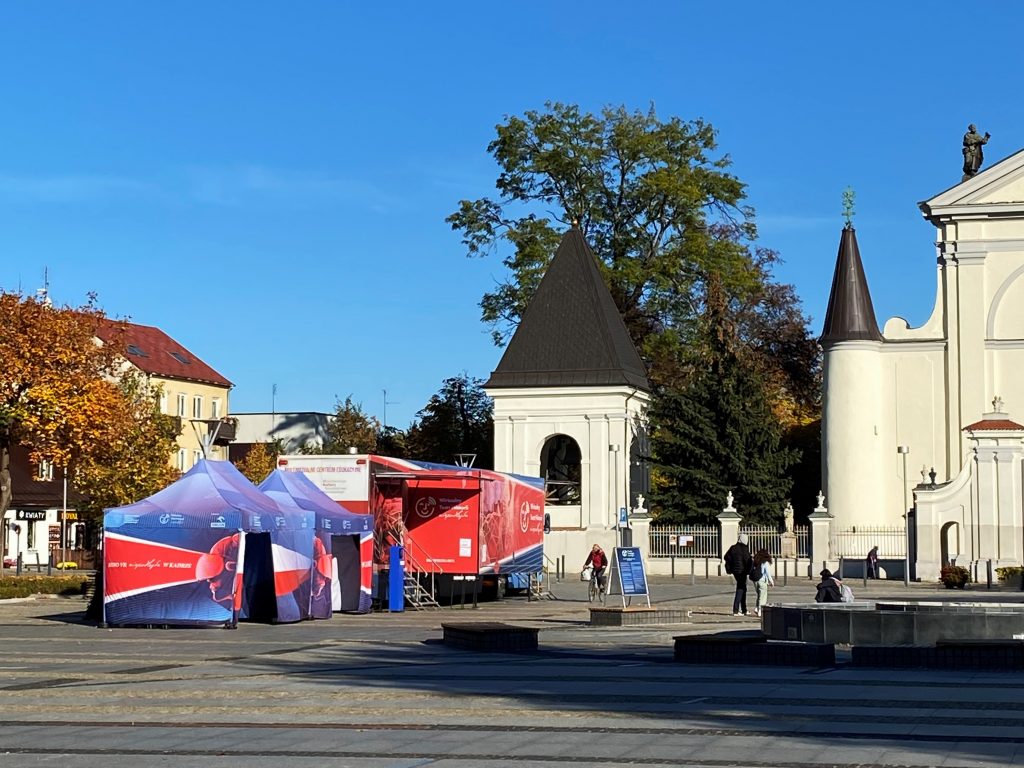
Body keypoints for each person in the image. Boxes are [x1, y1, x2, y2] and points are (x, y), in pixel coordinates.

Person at [723, 533, 752, 616]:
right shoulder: (744, 549)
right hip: (742, 571)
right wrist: (749, 570)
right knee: (740, 589)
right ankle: (736, 610)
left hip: (735, 572)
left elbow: (726, 557)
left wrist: (732, 565)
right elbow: (748, 561)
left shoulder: (733, 548)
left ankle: (744, 609)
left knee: (743, 588)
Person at [750, 549, 775, 617]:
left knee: (759, 595)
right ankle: (760, 610)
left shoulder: (756, 561)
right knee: (763, 597)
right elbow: (767, 573)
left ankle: (756, 608)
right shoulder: (765, 562)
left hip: (755, 581)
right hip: (762, 581)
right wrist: (771, 581)